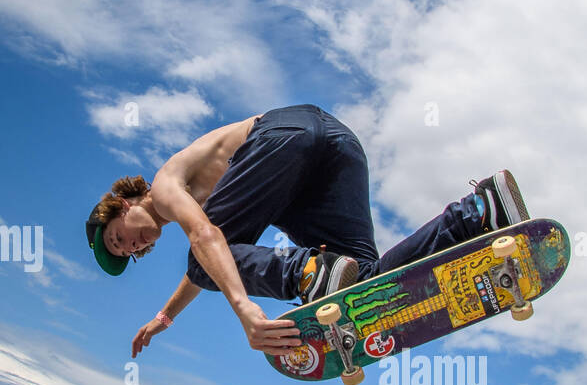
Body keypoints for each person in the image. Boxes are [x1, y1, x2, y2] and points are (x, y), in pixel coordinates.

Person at [84, 104, 529, 357]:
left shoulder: (164, 188)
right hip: (335, 147)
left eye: (119, 238)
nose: (134, 246)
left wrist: (246, 311)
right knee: (363, 279)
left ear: (121, 205)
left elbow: (206, 244)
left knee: (209, 260)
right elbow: (213, 259)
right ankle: (478, 213)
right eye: (130, 254)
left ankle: (308, 272)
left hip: (283, 138)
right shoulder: (189, 208)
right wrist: (166, 317)